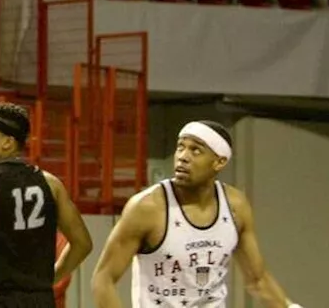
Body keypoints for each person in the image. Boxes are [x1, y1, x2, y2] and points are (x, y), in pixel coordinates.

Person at [91, 121, 303, 308]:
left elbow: (258, 280)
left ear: (219, 162)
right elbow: (103, 279)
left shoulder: (235, 206)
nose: (183, 157)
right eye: (180, 147)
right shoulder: (147, 208)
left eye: (196, 150)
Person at [0, 104, 93, 308]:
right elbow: (82, 244)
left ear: (7, 143)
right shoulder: (50, 183)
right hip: (42, 300)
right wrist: (50, 278)